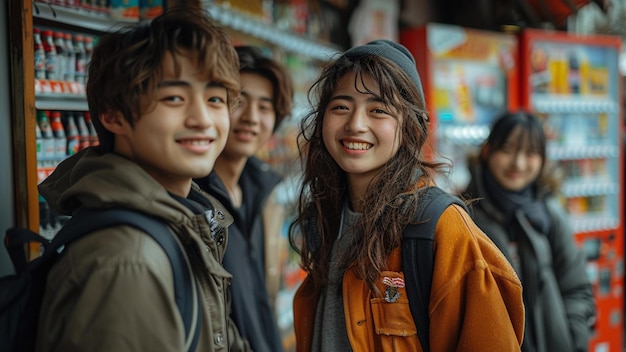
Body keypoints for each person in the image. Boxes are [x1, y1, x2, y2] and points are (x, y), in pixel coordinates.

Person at [35, 7, 252, 351]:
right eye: (174, 98)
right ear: (113, 115)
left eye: (214, 99)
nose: (202, 119)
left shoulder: (188, 219)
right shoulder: (126, 260)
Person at [288, 39, 525, 351]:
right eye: (341, 107)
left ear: (409, 127)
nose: (355, 124)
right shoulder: (325, 220)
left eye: (378, 110)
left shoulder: (441, 229)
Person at [463, 110, 595, 352]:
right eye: (508, 149)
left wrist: (574, 339)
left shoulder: (550, 214)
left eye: (531, 153)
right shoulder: (464, 215)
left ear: (542, 160)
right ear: (487, 150)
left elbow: (576, 287)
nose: (519, 163)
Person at [195, 45, 294, 352]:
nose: (252, 117)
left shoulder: (261, 194)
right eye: (239, 101)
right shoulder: (194, 198)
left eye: (265, 107)